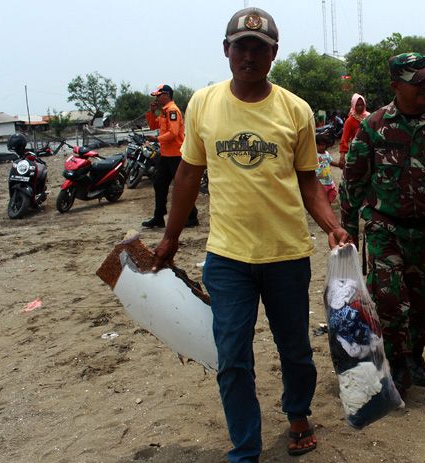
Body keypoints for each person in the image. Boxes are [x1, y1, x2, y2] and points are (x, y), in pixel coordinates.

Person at [150, 7, 350, 463]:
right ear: (226, 50)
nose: (249, 55)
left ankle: (298, 413)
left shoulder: (295, 110)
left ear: (273, 54)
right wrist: (170, 237)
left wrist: (332, 225)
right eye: (240, 46)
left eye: (259, 48)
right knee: (233, 357)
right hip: (227, 257)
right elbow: (186, 175)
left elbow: (308, 181)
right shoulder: (203, 103)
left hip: (286, 254)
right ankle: (245, 447)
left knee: (295, 348)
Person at [339, 53, 425, 398]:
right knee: (388, 299)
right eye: (416, 80)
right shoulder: (373, 126)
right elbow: (353, 182)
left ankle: (416, 355)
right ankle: (397, 361)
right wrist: (347, 234)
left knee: (421, 300)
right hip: (384, 229)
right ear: (395, 86)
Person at [142, 84, 198, 229]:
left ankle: (192, 216)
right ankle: (158, 217)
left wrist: (156, 140)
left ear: (166, 95)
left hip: (176, 155)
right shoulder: (163, 112)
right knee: (159, 185)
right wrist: (151, 112)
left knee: (182, 186)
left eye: (158, 96)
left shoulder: (172, 111)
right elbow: (154, 126)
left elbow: (173, 134)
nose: (157, 99)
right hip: (166, 156)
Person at [338, 93, 369, 168]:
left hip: (369, 153)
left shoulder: (369, 118)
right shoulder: (350, 121)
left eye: (362, 105)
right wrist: (342, 156)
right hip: (355, 154)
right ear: (353, 105)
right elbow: (344, 139)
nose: (360, 107)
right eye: (357, 105)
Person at [315, 131, 338, 203]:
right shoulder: (314, 155)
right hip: (320, 182)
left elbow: (331, 162)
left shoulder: (327, 154)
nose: (321, 147)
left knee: (332, 195)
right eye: (319, 145)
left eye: (323, 145)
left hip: (328, 180)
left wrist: (340, 165)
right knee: (322, 200)